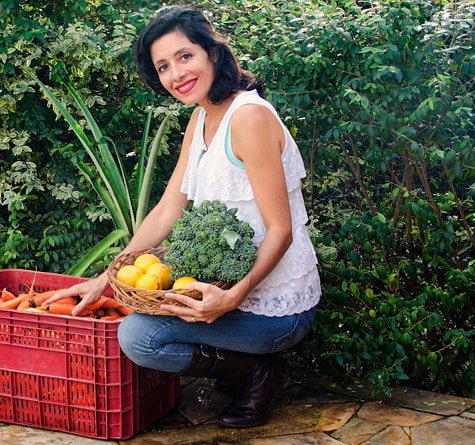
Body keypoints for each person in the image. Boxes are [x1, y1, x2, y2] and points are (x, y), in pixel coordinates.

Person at [46, 4, 321, 429]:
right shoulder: (201, 119)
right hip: (228, 292)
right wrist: (105, 279)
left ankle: (260, 372)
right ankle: (242, 365)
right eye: (163, 67)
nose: (176, 74)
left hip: (276, 308)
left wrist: (233, 296)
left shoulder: (247, 118)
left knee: (140, 337)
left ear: (212, 52)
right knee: (141, 315)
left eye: (185, 56)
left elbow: (281, 230)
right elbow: (167, 211)